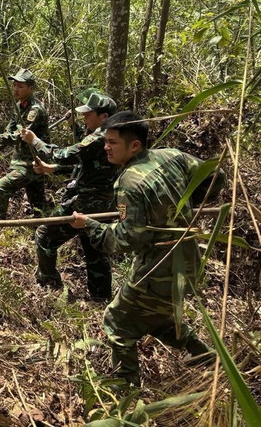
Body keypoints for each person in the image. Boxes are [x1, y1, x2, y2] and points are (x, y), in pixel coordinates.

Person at [70, 111, 225, 388]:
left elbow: (128, 238)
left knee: (117, 322)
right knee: (155, 314)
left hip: (157, 267)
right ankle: (204, 355)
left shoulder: (128, 182)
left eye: (112, 142)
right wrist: (189, 204)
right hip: (188, 258)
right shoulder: (172, 156)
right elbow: (216, 175)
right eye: (105, 141)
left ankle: (126, 388)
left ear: (135, 145)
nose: (106, 147)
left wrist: (90, 226)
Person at [20, 92, 118, 300]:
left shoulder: (100, 138)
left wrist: (35, 141)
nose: (85, 118)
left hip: (86, 203)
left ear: (104, 117)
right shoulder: (114, 139)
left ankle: (49, 286)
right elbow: (85, 164)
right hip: (105, 204)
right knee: (96, 252)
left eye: (88, 114)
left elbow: (64, 154)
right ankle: (101, 299)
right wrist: (52, 169)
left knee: (45, 235)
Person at [0, 68, 49, 218]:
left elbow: (17, 136)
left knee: (0, 187)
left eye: (20, 86)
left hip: (32, 163)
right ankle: (42, 230)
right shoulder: (19, 105)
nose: (15, 89)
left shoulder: (35, 110)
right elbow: (9, 130)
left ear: (31, 88)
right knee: (39, 206)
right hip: (21, 161)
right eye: (14, 85)